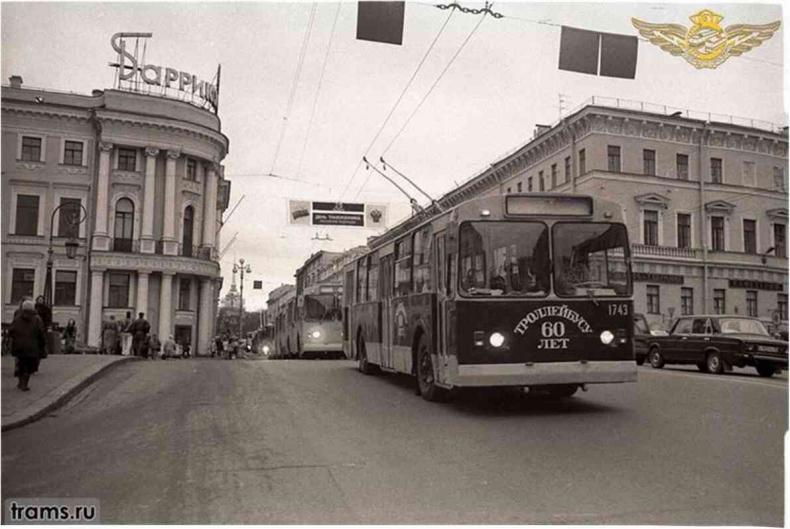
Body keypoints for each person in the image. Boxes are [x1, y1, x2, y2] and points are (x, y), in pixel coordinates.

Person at [9, 298, 46, 391]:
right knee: (29, 366)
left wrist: (15, 339)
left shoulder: (18, 318)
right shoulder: (37, 319)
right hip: (32, 346)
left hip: (19, 346)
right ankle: (24, 384)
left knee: (21, 364)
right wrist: (42, 344)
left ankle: (20, 383)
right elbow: (41, 333)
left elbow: (11, 331)